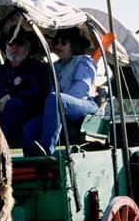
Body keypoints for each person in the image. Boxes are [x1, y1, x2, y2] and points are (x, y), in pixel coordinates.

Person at [22, 27, 98, 155]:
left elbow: (82, 88)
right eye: (56, 42)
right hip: (58, 106)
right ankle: (30, 163)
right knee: (29, 127)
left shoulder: (83, 61)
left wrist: (58, 102)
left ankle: (46, 150)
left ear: (74, 45)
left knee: (55, 98)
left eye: (64, 42)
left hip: (84, 106)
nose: (58, 45)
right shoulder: (53, 66)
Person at [0, 30, 50, 144]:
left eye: (19, 44)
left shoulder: (38, 68)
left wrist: (11, 97)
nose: (14, 47)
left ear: (28, 48)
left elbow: (39, 94)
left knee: (13, 104)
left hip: (26, 117)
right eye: (10, 43)